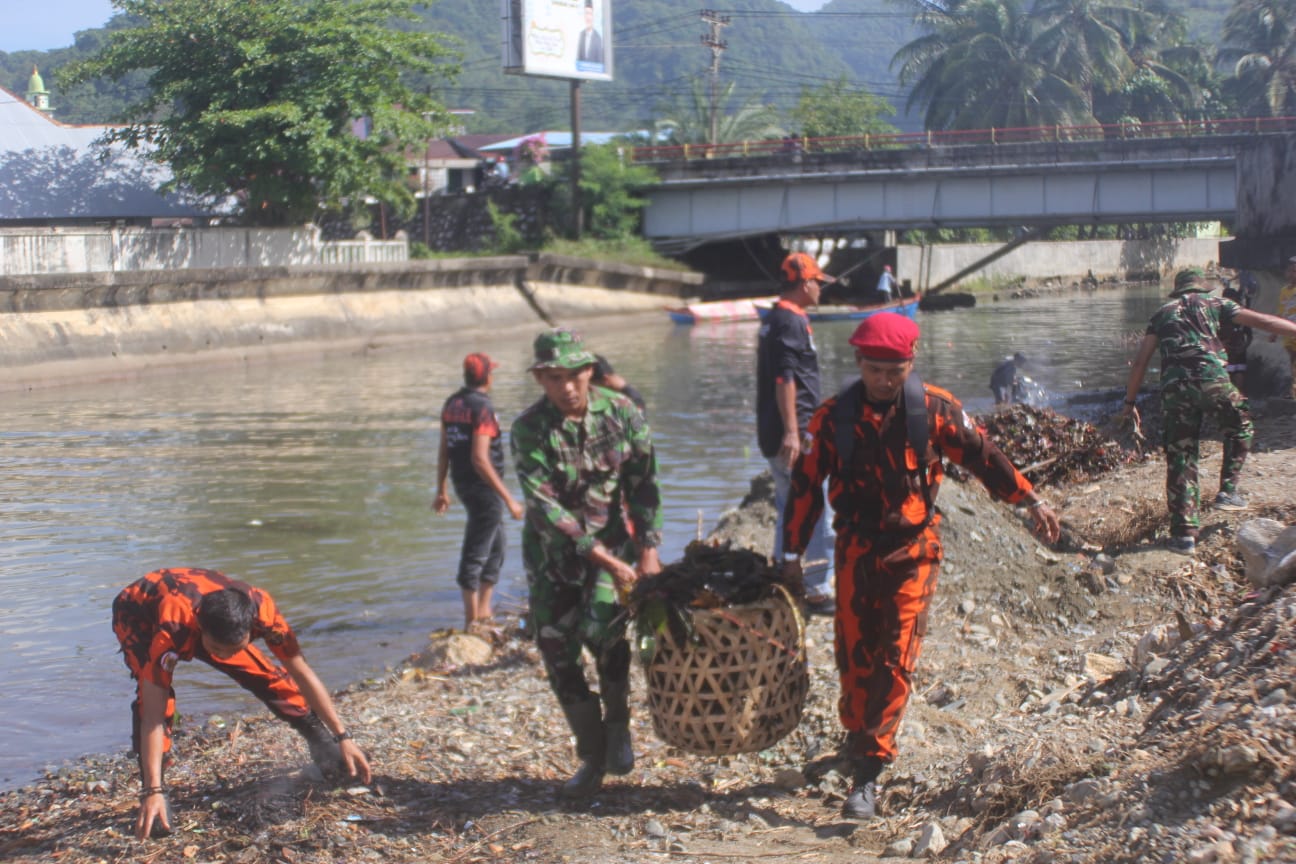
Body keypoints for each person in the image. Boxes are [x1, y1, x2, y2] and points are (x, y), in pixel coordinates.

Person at [782, 312, 1061, 820]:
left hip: (913, 549)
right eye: (874, 371)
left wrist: (1030, 500)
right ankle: (856, 734)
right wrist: (789, 555)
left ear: (910, 364)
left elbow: (983, 456)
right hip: (854, 550)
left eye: (895, 371)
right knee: (853, 654)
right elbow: (804, 488)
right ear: (859, 363)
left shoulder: (933, 410)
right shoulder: (832, 418)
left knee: (896, 653)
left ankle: (869, 770)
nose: (885, 381)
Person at [510, 328, 663, 799]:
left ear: (590, 371)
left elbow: (643, 483)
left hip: (613, 549)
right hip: (552, 558)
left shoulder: (623, 413)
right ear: (540, 379)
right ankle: (591, 756)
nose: (567, 387)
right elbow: (545, 507)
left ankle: (617, 727)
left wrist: (648, 551)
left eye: (573, 375)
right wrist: (601, 557)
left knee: (608, 641)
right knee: (557, 652)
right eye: (554, 378)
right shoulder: (529, 428)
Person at [112, 567, 373, 840]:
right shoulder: (173, 630)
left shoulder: (265, 615)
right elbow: (153, 716)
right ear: (200, 630)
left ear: (251, 629)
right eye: (217, 650)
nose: (224, 657)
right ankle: (155, 795)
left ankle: (323, 744)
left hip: (205, 613)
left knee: (271, 679)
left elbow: (301, 672)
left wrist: (342, 736)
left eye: (234, 649)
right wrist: (152, 790)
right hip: (138, 613)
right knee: (158, 701)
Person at [1121, 266, 1296, 554]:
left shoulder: (1161, 314)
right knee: (1240, 425)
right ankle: (1227, 491)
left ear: (1177, 289)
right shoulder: (1217, 303)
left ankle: (1183, 536)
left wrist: (1129, 404)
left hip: (1174, 390)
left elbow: (1140, 362)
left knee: (1181, 455)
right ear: (1201, 287)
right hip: (1212, 380)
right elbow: (1265, 321)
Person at [757, 251, 836, 615]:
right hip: (795, 434)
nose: (821, 289)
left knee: (789, 507)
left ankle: (782, 580)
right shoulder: (789, 322)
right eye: (818, 282)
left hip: (775, 431)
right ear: (805, 283)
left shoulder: (776, 318)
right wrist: (793, 432)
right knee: (816, 509)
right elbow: (784, 379)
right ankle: (817, 589)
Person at [434, 352, 525, 631]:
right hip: (484, 487)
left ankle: (484, 612)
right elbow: (480, 459)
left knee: (497, 546)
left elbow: (444, 450)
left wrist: (442, 489)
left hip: (463, 483)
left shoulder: (452, 403)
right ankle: (471, 621)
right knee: (477, 551)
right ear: (487, 377)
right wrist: (509, 499)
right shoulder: (482, 407)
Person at [1278, 256, 1296, 398]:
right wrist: (1274, 331)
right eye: (1289, 271)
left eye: (1294, 271)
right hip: (1288, 332)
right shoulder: (1284, 291)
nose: (1291, 274)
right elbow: (1281, 311)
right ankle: (1292, 390)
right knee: (1289, 361)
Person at [576, 0, 604, 66]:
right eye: (586, 13)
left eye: (590, 14)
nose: (588, 17)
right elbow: (578, 58)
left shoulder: (598, 39)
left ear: (593, 16)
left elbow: (600, 63)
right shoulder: (581, 35)